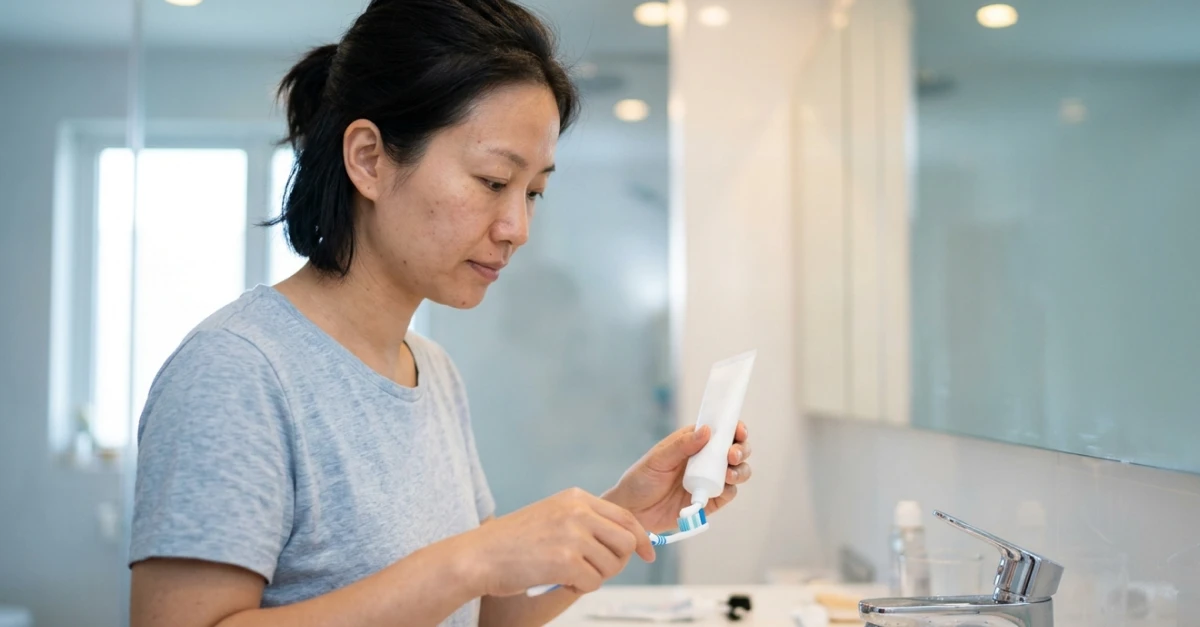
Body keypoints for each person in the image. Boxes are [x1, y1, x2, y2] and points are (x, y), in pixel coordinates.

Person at [127, 1, 753, 626]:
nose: (517, 228)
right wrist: (469, 559)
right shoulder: (235, 373)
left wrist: (622, 517)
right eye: (492, 181)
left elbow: (488, 618)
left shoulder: (432, 371)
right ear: (369, 159)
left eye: (533, 192)